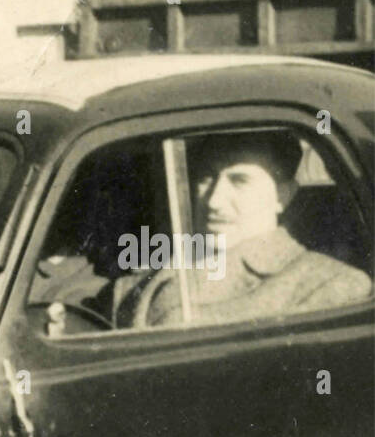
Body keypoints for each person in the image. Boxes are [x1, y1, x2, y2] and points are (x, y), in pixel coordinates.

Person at [121, 131, 371, 328]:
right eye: (207, 177)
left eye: (240, 181)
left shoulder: (329, 284)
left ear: (283, 195)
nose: (214, 200)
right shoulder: (170, 260)